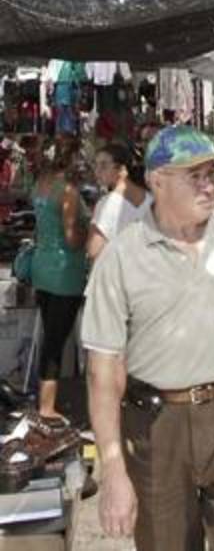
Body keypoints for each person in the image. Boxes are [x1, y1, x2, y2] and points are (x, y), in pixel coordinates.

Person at [82, 126, 214, 551]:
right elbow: (103, 370)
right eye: (195, 176)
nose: (210, 186)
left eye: (211, 173)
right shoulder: (121, 257)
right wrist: (113, 465)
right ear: (157, 181)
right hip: (158, 425)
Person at [30, 138, 89, 423]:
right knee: (55, 341)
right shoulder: (67, 192)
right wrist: (90, 232)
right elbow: (71, 238)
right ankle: (46, 406)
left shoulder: (41, 182)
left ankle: (47, 400)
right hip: (64, 272)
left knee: (51, 337)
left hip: (42, 267)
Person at [87, 143, 151, 261]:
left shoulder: (107, 204)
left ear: (122, 170)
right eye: (95, 165)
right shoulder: (151, 199)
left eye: (104, 166)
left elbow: (94, 251)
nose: (97, 171)